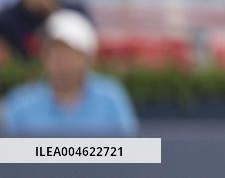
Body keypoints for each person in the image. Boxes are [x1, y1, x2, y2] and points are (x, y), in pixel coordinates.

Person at [1, 9, 138, 136]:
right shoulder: (19, 103)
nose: (61, 61)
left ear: (87, 59)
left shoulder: (111, 98)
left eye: (69, 54)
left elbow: (130, 149)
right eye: (54, 53)